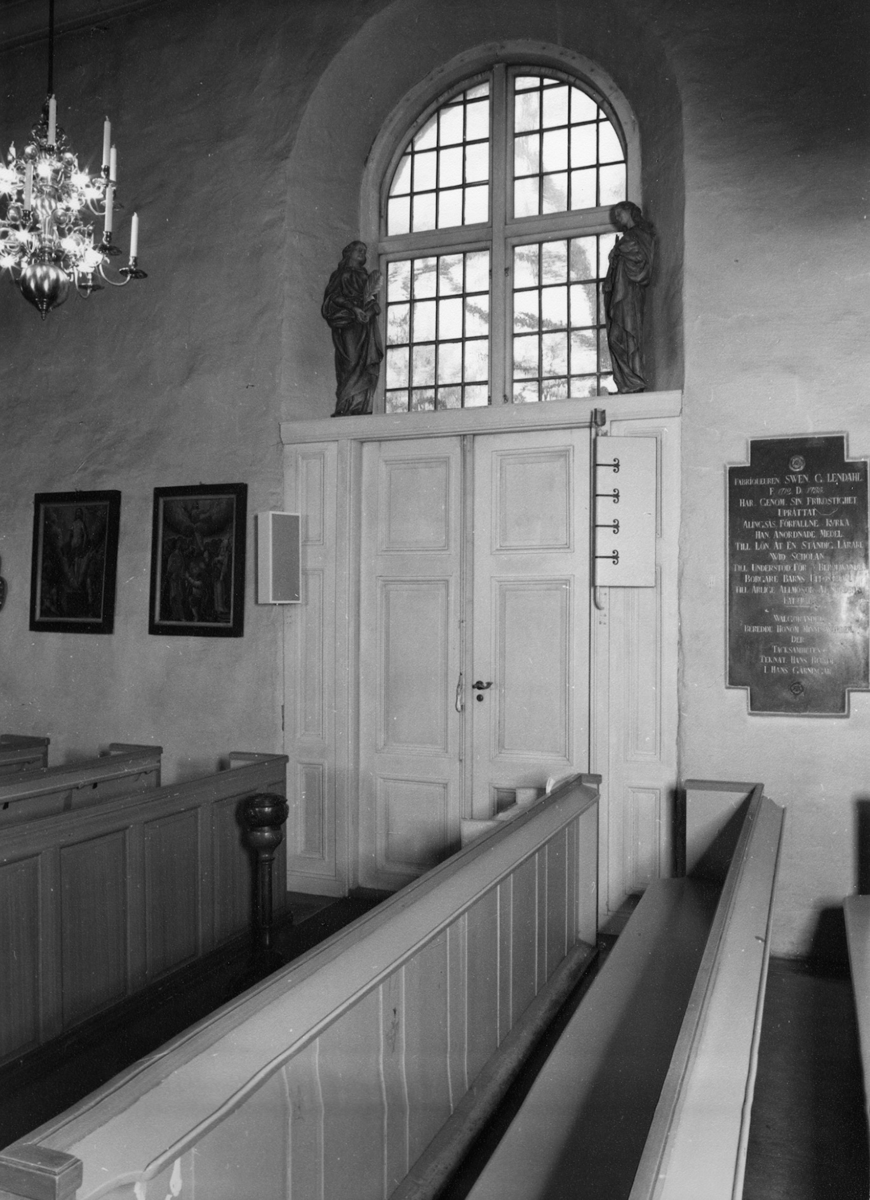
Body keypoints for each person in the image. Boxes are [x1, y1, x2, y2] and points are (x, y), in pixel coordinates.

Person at [321, 240, 383, 416]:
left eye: (364, 251)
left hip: (365, 324)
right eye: (359, 250)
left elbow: (372, 300)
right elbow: (333, 297)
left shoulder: (365, 277)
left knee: (365, 362)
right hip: (348, 322)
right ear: (349, 252)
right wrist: (353, 308)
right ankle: (346, 404)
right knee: (351, 361)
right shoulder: (340, 275)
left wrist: (369, 311)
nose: (362, 253)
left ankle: (360, 405)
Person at [603, 201, 656, 393]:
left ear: (630, 211)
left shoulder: (640, 234)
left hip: (629, 294)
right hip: (620, 292)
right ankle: (628, 382)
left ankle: (634, 380)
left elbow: (642, 260)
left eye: (620, 213)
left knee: (627, 335)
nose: (618, 218)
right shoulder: (629, 237)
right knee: (615, 338)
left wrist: (619, 250)